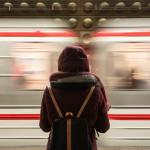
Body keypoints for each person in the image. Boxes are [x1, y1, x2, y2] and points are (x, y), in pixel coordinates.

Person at [39, 46, 110, 150]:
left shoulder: (49, 92)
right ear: (86, 66)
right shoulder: (95, 92)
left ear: (60, 65)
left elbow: (45, 127)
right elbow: (104, 127)